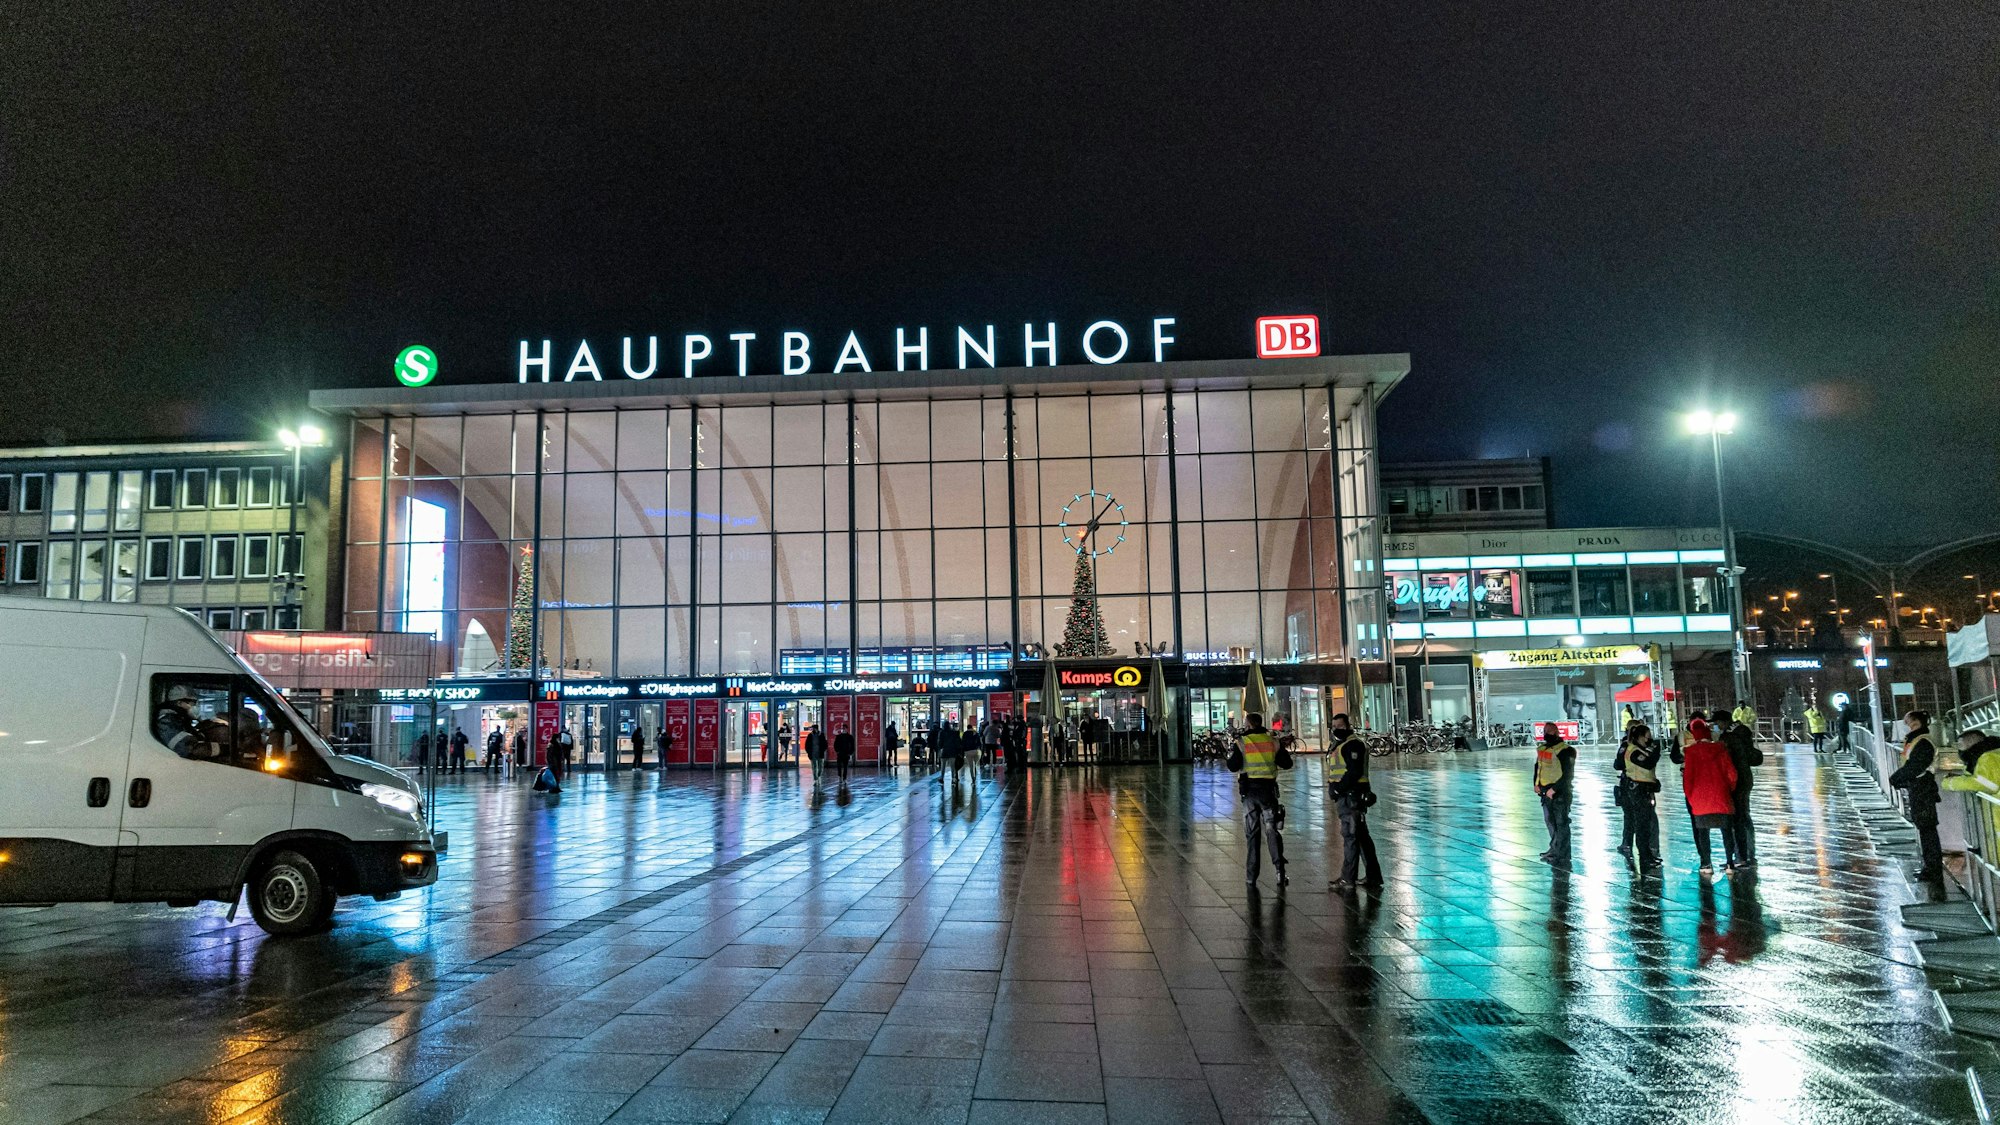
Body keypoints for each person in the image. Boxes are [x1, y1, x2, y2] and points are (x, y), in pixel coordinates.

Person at [1227, 711, 1290, 886]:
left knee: (1252, 835)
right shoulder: (1273, 741)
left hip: (1249, 794)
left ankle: (1251, 876)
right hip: (1269, 792)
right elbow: (1287, 763)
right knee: (1272, 831)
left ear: (1248, 725)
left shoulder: (1242, 742)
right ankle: (1280, 871)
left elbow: (1232, 766)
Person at [1326, 712, 1380, 889]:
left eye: (1340, 726)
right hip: (1351, 796)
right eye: (1334, 727)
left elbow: (1354, 772)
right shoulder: (1341, 744)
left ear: (1348, 726)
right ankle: (1373, 877)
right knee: (1362, 837)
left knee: (1350, 836)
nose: (1336, 729)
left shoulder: (1353, 744)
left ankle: (1347, 879)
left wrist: (1337, 788)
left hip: (1351, 796)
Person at [1890, 710, 1944, 881]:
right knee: (1925, 828)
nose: (1905, 726)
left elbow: (1915, 766)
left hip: (1923, 788)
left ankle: (1933, 869)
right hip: (1919, 787)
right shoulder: (1916, 740)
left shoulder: (1922, 742)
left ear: (1915, 723)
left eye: (1907, 722)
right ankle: (1930, 867)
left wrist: (1897, 778)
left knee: (1927, 829)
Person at [1681, 718, 1738, 874]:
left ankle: (1706, 864)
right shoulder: (1721, 749)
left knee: (1703, 833)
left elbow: (1688, 779)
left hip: (1700, 800)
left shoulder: (1690, 752)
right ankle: (1730, 863)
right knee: (1727, 832)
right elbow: (1732, 774)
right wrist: (1729, 789)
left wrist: (1691, 798)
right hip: (1721, 797)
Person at [1944, 729, 2000, 862]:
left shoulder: (1988, 757)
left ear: (1971, 743)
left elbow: (1988, 784)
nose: (1960, 751)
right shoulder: (1990, 753)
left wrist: (1950, 783)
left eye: (1961, 746)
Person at [1618, 723, 1664, 873]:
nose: (1649, 740)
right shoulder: (1633, 751)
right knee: (1642, 825)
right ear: (1640, 737)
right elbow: (1648, 763)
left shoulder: (1639, 749)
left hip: (1644, 790)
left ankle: (1648, 855)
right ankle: (1644, 857)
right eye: (1647, 737)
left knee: (1646, 824)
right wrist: (1655, 750)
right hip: (1638, 792)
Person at [1722, 709, 1762, 869]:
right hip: (1745, 779)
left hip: (1737, 781)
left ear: (1724, 722)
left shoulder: (1730, 737)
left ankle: (1742, 855)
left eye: (1718, 723)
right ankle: (1747, 853)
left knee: (1739, 818)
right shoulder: (1741, 732)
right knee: (1744, 816)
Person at [1534, 722, 1576, 868]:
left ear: (1556, 732)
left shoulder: (1566, 750)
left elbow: (1568, 774)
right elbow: (1538, 767)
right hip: (1545, 791)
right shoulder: (1543, 749)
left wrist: (1555, 789)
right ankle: (1554, 849)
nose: (1546, 734)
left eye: (1549, 731)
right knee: (1550, 822)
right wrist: (1536, 783)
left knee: (1561, 823)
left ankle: (1562, 855)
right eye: (1545, 731)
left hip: (1560, 792)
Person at [153, 683, 204, 757]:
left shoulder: (181, 719)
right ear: (179, 703)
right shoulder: (166, 720)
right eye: (192, 703)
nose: (195, 707)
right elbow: (186, 748)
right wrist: (219, 749)